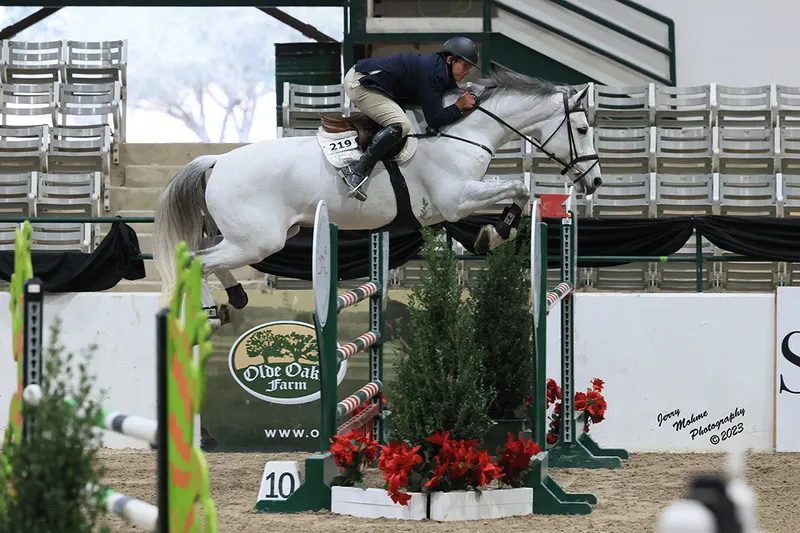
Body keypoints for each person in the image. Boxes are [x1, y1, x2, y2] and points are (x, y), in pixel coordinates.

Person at [340, 36, 480, 200]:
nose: (466, 72)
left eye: (469, 68)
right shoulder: (434, 72)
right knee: (401, 124)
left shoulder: (441, 70)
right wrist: (458, 107)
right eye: (464, 65)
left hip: (374, 83)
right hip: (360, 83)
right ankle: (357, 171)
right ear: (450, 60)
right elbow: (435, 119)